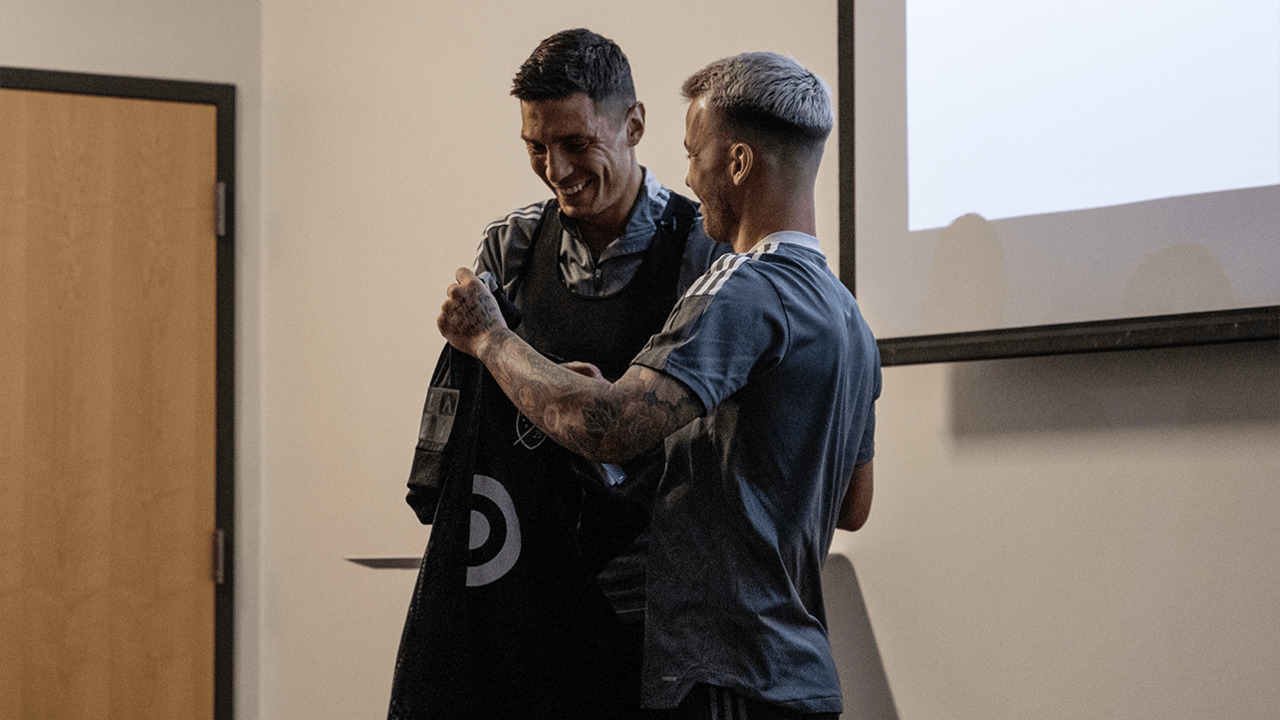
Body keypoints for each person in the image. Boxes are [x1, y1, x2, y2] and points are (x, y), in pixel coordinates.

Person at [437, 51, 881, 720]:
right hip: (800, 680)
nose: (688, 176)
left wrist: (488, 338)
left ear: (736, 163)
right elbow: (852, 503)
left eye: (695, 153)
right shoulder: (848, 316)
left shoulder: (741, 288)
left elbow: (607, 428)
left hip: (720, 679)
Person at [395, 28, 725, 720]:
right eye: (535, 147)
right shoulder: (510, 245)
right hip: (531, 592)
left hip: (660, 607)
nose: (555, 167)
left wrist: (585, 407)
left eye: (576, 144)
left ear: (634, 123)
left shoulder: (704, 250)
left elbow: (723, 433)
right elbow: (471, 414)